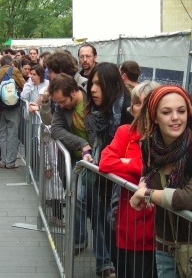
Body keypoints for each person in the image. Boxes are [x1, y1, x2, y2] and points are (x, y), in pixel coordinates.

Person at [129, 85, 192, 278]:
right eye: (166, 112)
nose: (175, 117)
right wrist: (143, 184)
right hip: (164, 246)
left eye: (181, 111)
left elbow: (187, 199)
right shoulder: (149, 146)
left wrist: (145, 194)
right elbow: (148, 173)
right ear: (155, 116)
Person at [98, 81, 159, 278]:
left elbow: (153, 172)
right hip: (125, 222)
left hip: (153, 226)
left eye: (147, 103)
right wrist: (139, 166)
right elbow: (106, 163)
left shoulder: (163, 137)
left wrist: (127, 162)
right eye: (137, 103)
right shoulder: (125, 131)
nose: (141, 108)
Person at [83, 62, 134, 277]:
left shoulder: (127, 110)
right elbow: (101, 146)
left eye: (98, 84)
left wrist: (111, 162)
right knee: (112, 244)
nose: (92, 89)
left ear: (112, 85)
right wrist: (92, 155)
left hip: (123, 194)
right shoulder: (99, 110)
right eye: (91, 84)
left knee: (124, 256)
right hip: (105, 187)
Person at [47, 73, 94, 257]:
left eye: (63, 101)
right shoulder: (61, 107)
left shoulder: (92, 101)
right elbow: (56, 130)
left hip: (94, 159)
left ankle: (99, 253)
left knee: (81, 197)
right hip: (76, 158)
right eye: (57, 102)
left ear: (74, 92)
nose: (60, 105)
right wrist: (81, 144)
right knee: (76, 196)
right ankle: (80, 238)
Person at [0, 55, 25, 169]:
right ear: (11, 63)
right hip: (13, 106)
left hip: (1, 106)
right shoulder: (14, 70)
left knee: (2, 133)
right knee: (12, 133)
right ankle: (10, 162)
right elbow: (23, 85)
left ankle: (3, 160)